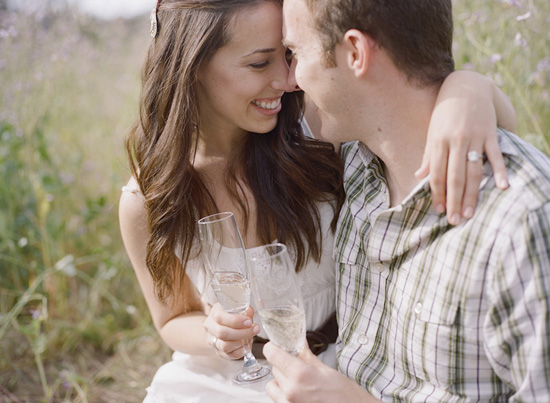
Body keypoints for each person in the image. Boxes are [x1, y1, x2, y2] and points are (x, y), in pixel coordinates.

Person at [119, 0, 516, 402]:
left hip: (340, 368)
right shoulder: (150, 198)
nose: (286, 80)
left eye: (289, 55)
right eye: (260, 64)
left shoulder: (315, 128)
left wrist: (466, 89)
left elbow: (472, 119)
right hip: (228, 378)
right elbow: (171, 317)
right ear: (193, 66)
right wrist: (212, 331)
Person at [263, 0, 550, 401]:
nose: (291, 79)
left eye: (296, 53)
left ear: (356, 53)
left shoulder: (522, 222)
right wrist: (468, 84)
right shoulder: (357, 162)